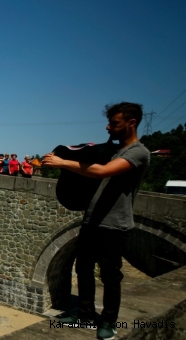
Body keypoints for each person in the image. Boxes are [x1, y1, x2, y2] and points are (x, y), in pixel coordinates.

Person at [42, 102, 150, 339]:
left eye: (114, 123)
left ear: (131, 123)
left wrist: (62, 163)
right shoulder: (112, 149)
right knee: (83, 268)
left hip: (115, 224)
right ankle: (85, 314)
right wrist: (63, 155)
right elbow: (86, 156)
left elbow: (102, 171)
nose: (108, 127)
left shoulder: (138, 152)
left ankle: (109, 323)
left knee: (110, 274)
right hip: (93, 219)